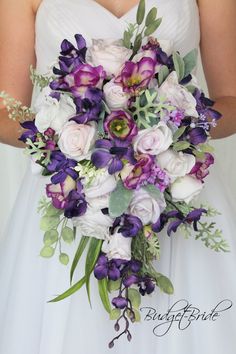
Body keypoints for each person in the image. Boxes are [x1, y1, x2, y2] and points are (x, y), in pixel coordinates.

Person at [0, 0, 236, 353]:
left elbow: (231, 99)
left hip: (177, 194)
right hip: (67, 194)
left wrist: (173, 128)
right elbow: (6, 111)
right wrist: (71, 138)